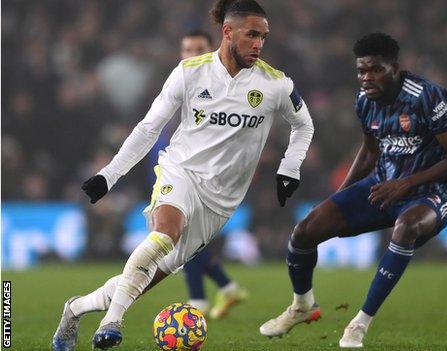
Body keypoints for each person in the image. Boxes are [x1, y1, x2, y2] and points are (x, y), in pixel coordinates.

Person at [51, 1, 314, 350]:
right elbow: (149, 128)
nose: (258, 44)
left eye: (263, 37)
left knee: (140, 281)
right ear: (227, 32)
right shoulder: (189, 72)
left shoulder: (276, 84)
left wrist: (289, 167)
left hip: (222, 201)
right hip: (181, 171)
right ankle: (111, 322)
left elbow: (304, 125)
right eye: (252, 35)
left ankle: (75, 308)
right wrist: (109, 176)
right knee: (166, 233)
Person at [260, 32, 447, 348]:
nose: (366, 77)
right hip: (382, 187)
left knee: (406, 227)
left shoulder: (428, 97)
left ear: (395, 67)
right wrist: (341, 195)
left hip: (429, 194)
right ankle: (302, 306)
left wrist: (408, 183)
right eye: (361, 70)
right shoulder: (364, 100)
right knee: (305, 231)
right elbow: (370, 152)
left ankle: (359, 324)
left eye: (375, 69)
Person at [178, 29, 249, 320]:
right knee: (187, 241)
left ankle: (199, 301)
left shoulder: (228, 86)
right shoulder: (183, 82)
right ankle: (227, 287)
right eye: (187, 50)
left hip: (216, 176)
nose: (192, 55)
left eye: (199, 49)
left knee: (185, 241)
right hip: (189, 171)